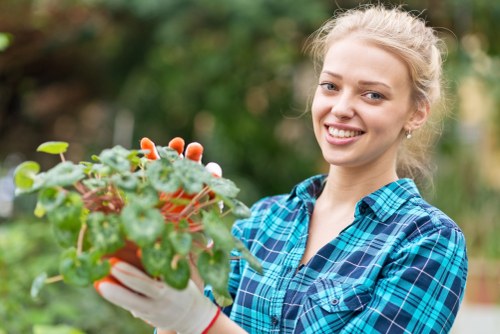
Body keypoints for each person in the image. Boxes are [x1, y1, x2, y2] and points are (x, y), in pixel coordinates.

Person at [95, 4, 468, 333]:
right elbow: (194, 319)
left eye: (373, 94)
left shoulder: (426, 242)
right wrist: (185, 248)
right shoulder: (263, 221)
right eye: (330, 86)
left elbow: (204, 323)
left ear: (416, 112)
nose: (341, 108)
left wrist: (199, 321)